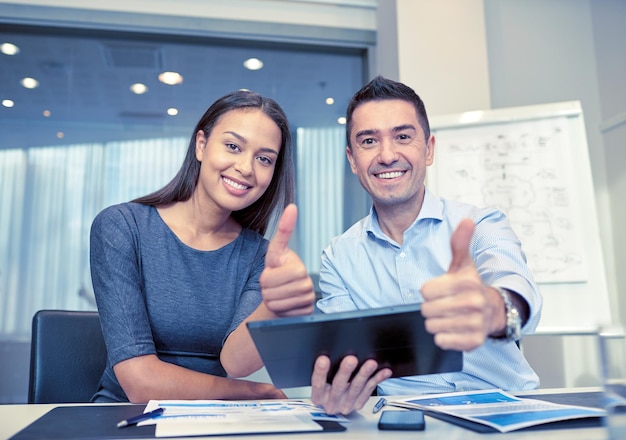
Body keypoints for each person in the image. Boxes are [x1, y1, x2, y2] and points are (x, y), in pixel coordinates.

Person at [310, 76, 543, 415]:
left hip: (506, 410)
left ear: (429, 148)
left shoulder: (480, 224)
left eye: (403, 137)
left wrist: (492, 308)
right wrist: (337, 384)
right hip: (404, 418)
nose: (387, 155)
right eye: (368, 141)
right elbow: (349, 359)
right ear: (352, 159)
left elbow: (518, 291)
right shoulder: (339, 257)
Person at [89, 90, 315, 403]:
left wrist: (274, 308)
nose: (246, 168)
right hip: (125, 418)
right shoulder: (122, 226)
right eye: (233, 146)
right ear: (201, 145)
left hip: (213, 420)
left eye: (264, 159)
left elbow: (236, 362)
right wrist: (255, 393)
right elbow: (139, 383)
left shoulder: (260, 256)